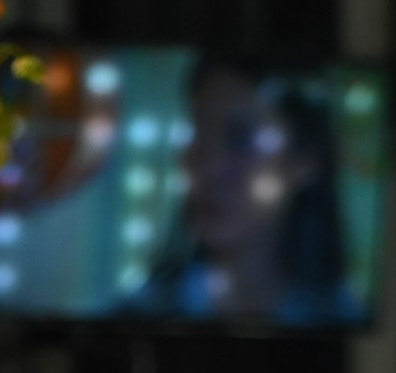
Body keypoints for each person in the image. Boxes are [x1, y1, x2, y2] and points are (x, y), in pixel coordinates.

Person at [125, 57, 361, 326]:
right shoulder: (138, 317)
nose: (210, 168)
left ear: (307, 158)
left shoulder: (342, 322)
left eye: (241, 139)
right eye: (198, 131)